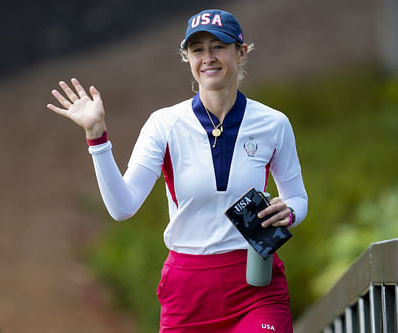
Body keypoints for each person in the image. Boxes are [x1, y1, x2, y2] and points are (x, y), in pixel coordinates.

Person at [46, 8, 307, 333]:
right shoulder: (164, 124)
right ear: (188, 58)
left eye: (218, 46)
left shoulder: (273, 123)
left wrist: (289, 211)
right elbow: (122, 207)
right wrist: (96, 136)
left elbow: (296, 196)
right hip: (188, 292)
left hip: (255, 286)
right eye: (197, 49)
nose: (208, 58)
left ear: (240, 53)